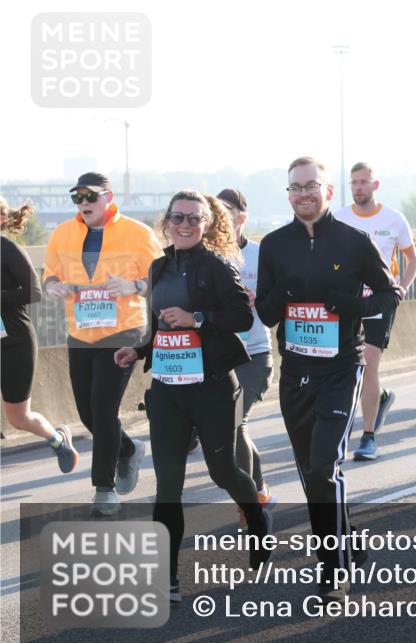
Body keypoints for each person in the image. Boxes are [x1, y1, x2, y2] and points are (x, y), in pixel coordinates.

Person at [113, 190, 274, 603]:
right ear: (166, 222)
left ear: (206, 224)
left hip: (212, 388)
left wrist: (196, 318)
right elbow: (159, 328)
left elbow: (242, 317)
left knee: (224, 473)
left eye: (193, 219)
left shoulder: (218, 266)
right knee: (168, 485)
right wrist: (139, 350)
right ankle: (167, 578)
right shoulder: (158, 267)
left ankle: (257, 521)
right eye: (178, 218)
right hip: (168, 391)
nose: (184, 225)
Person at [256, 156, 402, 595]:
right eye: (295, 187)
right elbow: (265, 313)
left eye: (311, 186)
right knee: (311, 473)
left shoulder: (353, 241)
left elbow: (389, 294)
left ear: (328, 191)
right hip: (295, 371)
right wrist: (284, 293)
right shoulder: (274, 245)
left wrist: (350, 305)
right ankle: (346, 540)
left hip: (340, 369)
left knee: (324, 466)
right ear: (289, 194)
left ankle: (333, 568)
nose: (303, 194)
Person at [42, 172, 162, 516]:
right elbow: (49, 274)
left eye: (90, 196)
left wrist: (134, 287)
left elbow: (161, 277)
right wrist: (53, 286)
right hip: (81, 334)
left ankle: (104, 489)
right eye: (77, 198)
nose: (83, 203)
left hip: (123, 332)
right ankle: (128, 450)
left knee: (104, 408)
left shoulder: (138, 233)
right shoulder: (63, 233)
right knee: (88, 414)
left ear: (108, 197)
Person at [335, 162, 416, 461]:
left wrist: (402, 288)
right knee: (349, 365)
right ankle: (380, 397)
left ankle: (368, 437)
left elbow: (413, 259)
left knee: (369, 362)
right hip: (349, 302)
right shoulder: (339, 218)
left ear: (375, 185)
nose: (358, 187)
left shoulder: (394, 219)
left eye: (363, 182)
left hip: (380, 300)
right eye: (354, 182)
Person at [1, 197, 77, 470]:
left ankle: (58, 439)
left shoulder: (7, 250)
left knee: (19, 418)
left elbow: (34, 292)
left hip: (15, 343)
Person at [216, 188, 277, 525]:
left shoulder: (260, 254)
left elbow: (277, 302)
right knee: (234, 427)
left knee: (234, 422)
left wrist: (260, 299)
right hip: (221, 357)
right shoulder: (208, 255)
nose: (220, 215)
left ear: (242, 217)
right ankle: (260, 489)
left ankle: (250, 503)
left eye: (226, 210)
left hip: (255, 355)